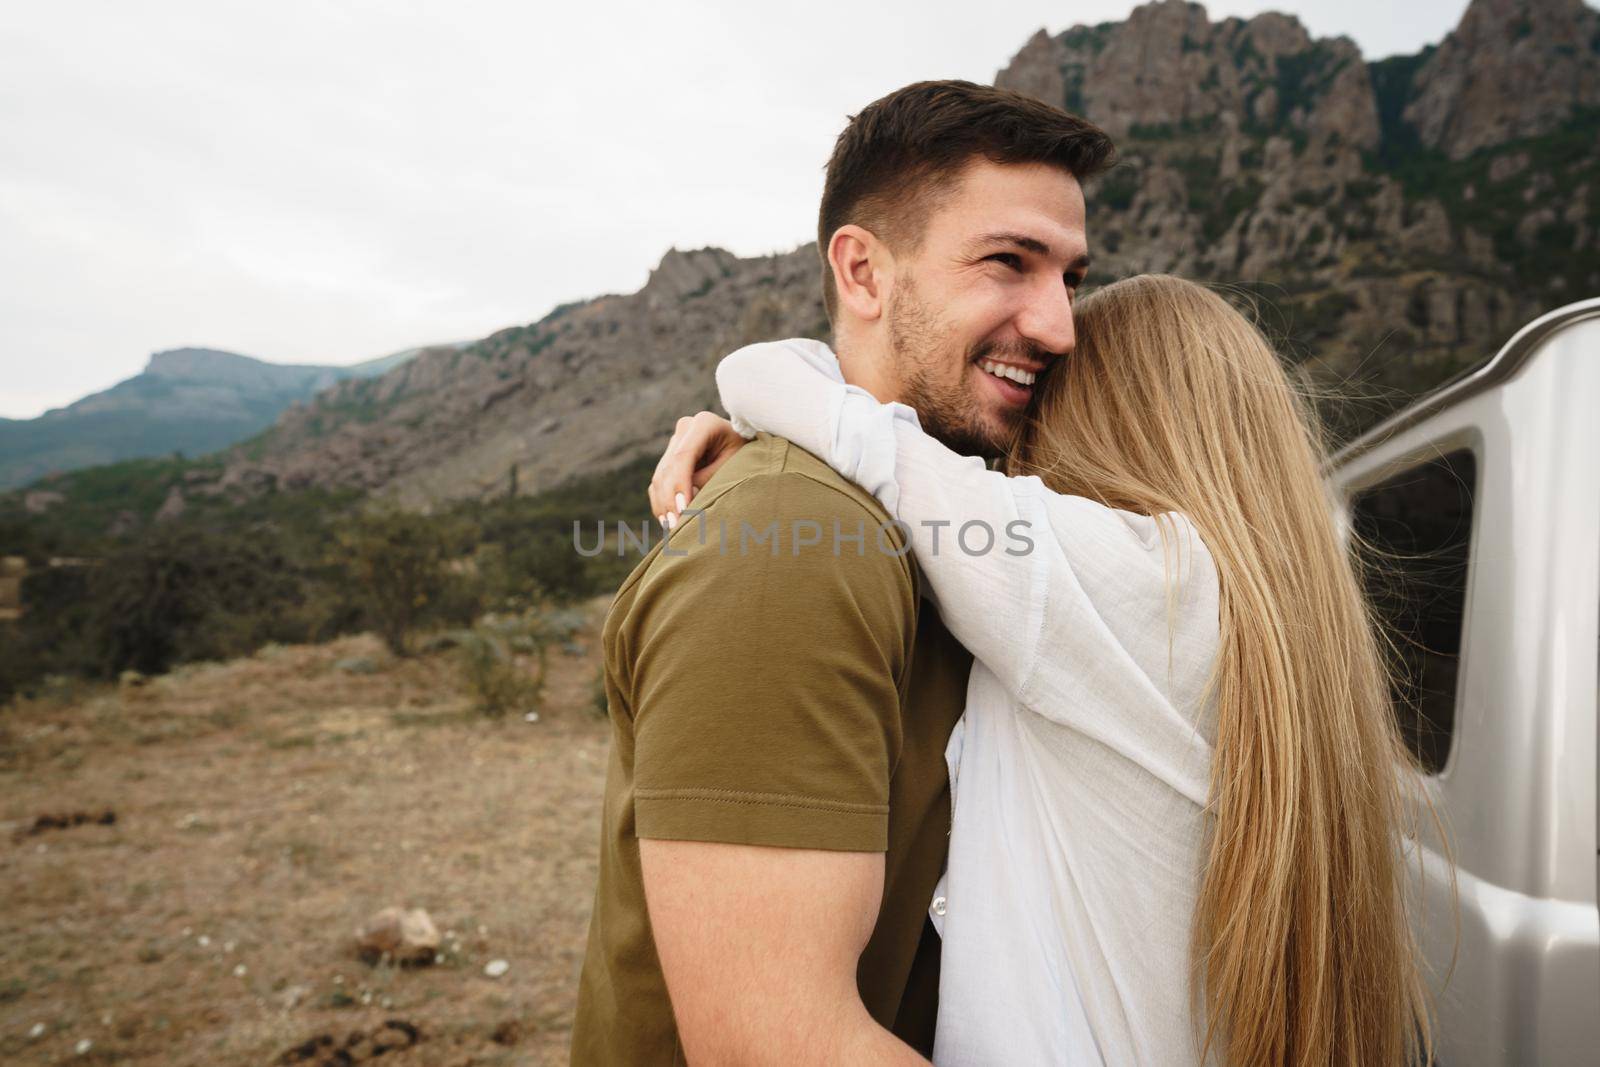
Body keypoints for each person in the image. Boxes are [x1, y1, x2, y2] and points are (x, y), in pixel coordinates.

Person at [650, 275, 1436, 1065]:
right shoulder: (1280, 617)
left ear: (1097, 417)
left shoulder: (1113, 576)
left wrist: (733, 423)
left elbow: (772, 379)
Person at [568, 80, 1115, 1065]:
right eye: (1006, 262)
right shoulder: (795, 541)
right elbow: (775, 1043)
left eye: (1071, 276)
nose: (1059, 325)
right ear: (862, 271)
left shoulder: (947, 520)